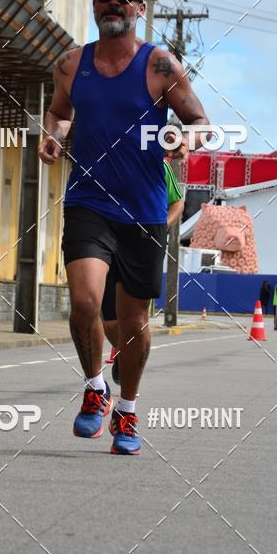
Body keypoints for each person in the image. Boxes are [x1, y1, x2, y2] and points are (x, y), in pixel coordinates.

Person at [38, 0, 210, 455]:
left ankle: (127, 414)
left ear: (139, 9)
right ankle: (96, 387)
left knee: (134, 327)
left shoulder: (159, 65)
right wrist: (53, 134)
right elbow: (60, 112)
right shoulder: (71, 65)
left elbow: (201, 121)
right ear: (94, 9)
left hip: (144, 210)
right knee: (86, 304)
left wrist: (183, 140)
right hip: (88, 202)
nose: (112, 5)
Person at [103, 157, 185, 384]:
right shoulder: (107, 158)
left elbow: (178, 201)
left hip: (144, 242)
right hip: (109, 240)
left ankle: (130, 369)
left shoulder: (160, 164)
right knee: (109, 320)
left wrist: (162, 226)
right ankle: (123, 351)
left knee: (134, 319)